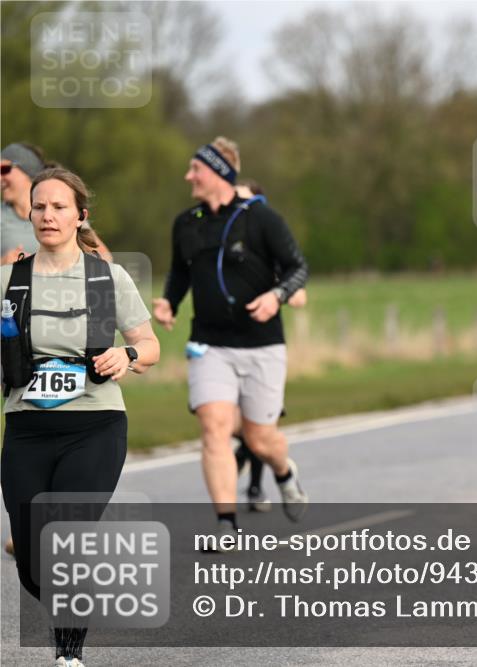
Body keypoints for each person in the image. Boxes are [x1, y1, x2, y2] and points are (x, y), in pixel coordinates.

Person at [1, 168, 160, 666]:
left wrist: (126, 357)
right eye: (39, 206)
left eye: (59, 207)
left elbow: (149, 345)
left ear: (80, 216)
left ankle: (68, 656)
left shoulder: (104, 278)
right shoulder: (9, 280)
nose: (47, 215)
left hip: (94, 425)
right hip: (26, 428)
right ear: (30, 213)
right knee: (32, 562)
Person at [152, 137, 309, 543]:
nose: (188, 176)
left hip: (262, 345)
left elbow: (298, 268)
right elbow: (180, 272)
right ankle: (226, 524)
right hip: (210, 345)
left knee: (259, 438)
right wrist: (169, 302)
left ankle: (284, 472)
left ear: (219, 172)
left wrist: (276, 297)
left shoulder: (262, 219)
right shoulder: (186, 223)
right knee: (214, 427)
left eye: (196, 169)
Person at [230, 179, 307, 512]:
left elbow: (299, 295)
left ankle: (256, 487)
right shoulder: (227, 247)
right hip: (224, 347)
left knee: (259, 426)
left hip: (263, 348)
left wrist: (277, 294)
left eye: (244, 200)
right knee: (231, 422)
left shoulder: (270, 247)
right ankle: (243, 460)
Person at [1, 143, 111, 265]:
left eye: (4, 170)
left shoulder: (69, 216)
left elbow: (105, 259)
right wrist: (3, 263)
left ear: (27, 170)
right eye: (38, 208)